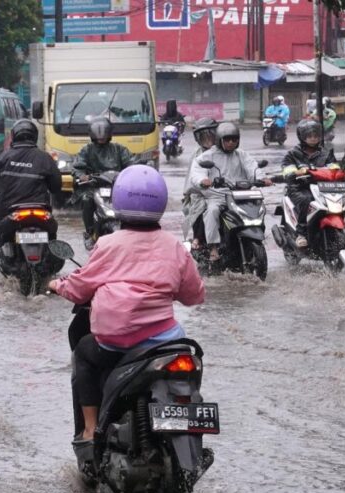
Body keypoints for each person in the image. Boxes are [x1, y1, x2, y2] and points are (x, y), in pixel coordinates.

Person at [47, 165, 205, 466]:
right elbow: (194, 295)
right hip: (164, 343)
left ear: (119, 200)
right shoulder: (174, 246)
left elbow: (80, 287)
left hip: (115, 342)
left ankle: (91, 430)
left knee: (83, 353)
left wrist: (57, 284)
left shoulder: (107, 244)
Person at [189, 122, 273, 262]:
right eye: (227, 139)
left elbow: (252, 167)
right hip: (219, 196)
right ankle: (213, 247)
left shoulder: (241, 155)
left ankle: (253, 234)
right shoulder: (209, 155)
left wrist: (261, 178)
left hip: (241, 195)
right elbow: (197, 170)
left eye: (234, 139)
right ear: (219, 140)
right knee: (212, 211)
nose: (231, 142)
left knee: (258, 207)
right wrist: (203, 180)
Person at [0, 119, 62, 252]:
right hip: (40, 211)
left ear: (14, 136)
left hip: (8, 211)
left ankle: (5, 253)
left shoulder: (4, 157)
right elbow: (56, 186)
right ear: (35, 136)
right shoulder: (45, 158)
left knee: (1, 233)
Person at [72, 118, 135, 249]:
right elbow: (77, 167)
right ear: (92, 136)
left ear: (109, 135)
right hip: (94, 186)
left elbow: (131, 164)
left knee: (134, 199)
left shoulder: (119, 149)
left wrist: (135, 173)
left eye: (104, 137)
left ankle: (134, 230)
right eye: (98, 137)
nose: (101, 140)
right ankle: (89, 232)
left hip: (117, 186)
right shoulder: (87, 150)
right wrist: (82, 176)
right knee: (86, 199)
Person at [281, 119, 338, 248]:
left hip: (321, 188)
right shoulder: (293, 154)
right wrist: (295, 172)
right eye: (309, 136)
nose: (313, 138)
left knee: (335, 200)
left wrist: (341, 173)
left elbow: (333, 166)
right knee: (306, 199)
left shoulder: (326, 153)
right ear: (302, 137)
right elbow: (287, 169)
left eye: (316, 135)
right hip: (299, 188)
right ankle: (301, 233)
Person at [182, 117, 218, 248]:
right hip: (201, 191)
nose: (208, 140)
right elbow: (191, 177)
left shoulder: (224, 150)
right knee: (201, 206)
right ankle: (198, 237)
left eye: (210, 135)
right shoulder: (196, 155)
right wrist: (190, 191)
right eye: (203, 137)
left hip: (223, 190)